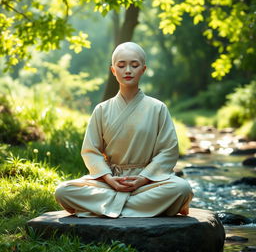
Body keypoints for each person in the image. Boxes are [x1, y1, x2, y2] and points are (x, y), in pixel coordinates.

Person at [55, 42, 193, 218]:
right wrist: (109, 179)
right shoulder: (102, 110)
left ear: (143, 69)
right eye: (121, 65)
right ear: (113, 70)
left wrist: (143, 179)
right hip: (111, 180)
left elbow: (168, 151)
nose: (128, 70)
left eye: (134, 65)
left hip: (148, 182)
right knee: (63, 191)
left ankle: (108, 206)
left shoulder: (158, 108)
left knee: (182, 189)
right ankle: (143, 207)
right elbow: (91, 151)